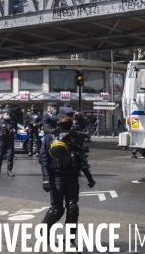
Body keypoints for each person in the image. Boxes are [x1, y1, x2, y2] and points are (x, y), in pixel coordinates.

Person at [39, 106, 95, 250]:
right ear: (60, 119)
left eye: (71, 119)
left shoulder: (74, 136)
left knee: (73, 208)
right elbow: (43, 158)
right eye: (67, 119)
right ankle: (43, 232)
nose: (69, 121)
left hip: (71, 176)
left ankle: (69, 240)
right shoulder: (49, 136)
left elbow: (80, 158)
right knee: (57, 209)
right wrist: (46, 178)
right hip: (56, 176)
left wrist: (89, 177)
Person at [0, 107, 16, 176]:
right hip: (2, 141)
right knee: (0, 156)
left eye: (9, 114)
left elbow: (15, 129)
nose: (8, 115)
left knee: (10, 156)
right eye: (6, 114)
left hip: (10, 141)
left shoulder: (11, 122)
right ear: (3, 114)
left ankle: (9, 170)